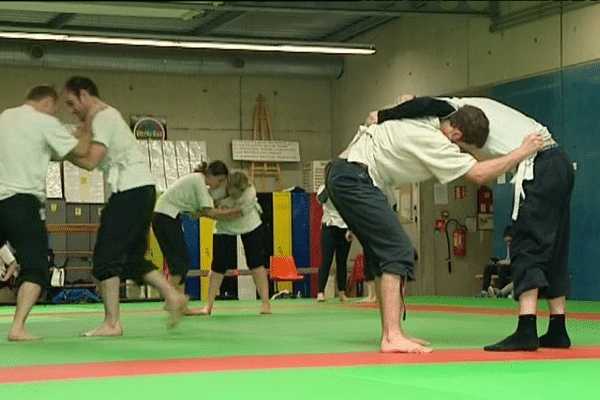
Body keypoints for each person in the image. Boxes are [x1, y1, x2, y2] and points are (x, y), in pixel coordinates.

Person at [327, 104, 543, 353]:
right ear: (457, 135)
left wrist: (383, 113)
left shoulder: (425, 117)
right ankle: (391, 336)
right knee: (398, 250)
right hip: (355, 178)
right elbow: (479, 175)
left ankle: (392, 331)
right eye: (461, 148)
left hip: (344, 173)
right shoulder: (435, 142)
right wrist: (523, 151)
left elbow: (411, 98)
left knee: (381, 255)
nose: (458, 151)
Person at [375, 95, 574, 351]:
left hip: (540, 166)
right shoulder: (476, 108)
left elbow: (425, 105)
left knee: (527, 244)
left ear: (456, 131)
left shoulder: (451, 108)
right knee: (556, 246)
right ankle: (558, 329)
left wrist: (385, 114)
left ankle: (527, 328)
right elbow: (422, 103)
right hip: (560, 162)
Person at [62, 76, 187, 337]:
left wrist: (59, 151)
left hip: (131, 191)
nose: (70, 110)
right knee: (131, 259)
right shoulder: (99, 118)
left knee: (106, 257)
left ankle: (112, 323)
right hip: (139, 190)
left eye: (72, 103)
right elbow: (86, 157)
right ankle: (172, 296)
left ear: (84, 95)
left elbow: (91, 160)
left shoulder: (104, 117)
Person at [0, 85, 94, 340]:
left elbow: (37, 154)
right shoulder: (44, 121)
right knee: (36, 267)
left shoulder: (5, 117)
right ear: (46, 103)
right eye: (55, 108)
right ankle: (17, 327)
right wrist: (88, 123)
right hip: (20, 202)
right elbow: (83, 151)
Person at [152, 161, 243, 315]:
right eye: (219, 180)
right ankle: (174, 302)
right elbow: (209, 213)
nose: (219, 185)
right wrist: (235, 212)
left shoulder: (198, 181)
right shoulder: (199, 181)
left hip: (166, 217)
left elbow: (200, 211)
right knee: (180, 261)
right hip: (164, 217)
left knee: (181, 261)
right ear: (211, 175)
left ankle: (175, 303)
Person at [195, 170, 271, 315]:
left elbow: (234, 214)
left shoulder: (250, 194)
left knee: (256, 263)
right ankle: (208, 305)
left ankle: (266, 304)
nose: (234, 194)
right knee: (217, 266)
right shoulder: (216, 190)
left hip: (250, 224)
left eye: (238, 193)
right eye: (231, 190)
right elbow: (206, 205)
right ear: (227, 184)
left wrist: (216, 211)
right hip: (224, 226)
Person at [316, 163, 352, 302]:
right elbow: (321, 199)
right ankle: (320, 292)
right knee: (326, 260)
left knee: (342, 261)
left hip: (344, 227)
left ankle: (342, 292)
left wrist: (352, 229)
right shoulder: (323, 189)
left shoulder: (346, 189)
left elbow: (351, 209)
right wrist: (330, 185)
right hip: (329, 227)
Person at [476, 226, 513, 298]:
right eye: (506, 237)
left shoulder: (516, 246)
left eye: (509, 237)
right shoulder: (506, 247)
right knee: (489, 267)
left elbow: (513, 261)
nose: (507, 240)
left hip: (512, 267)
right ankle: (484, 291)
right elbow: (504, 259)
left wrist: (502, 262)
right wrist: (496, 261)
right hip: (504, 264)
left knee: (501, 268)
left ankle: (502, 291)